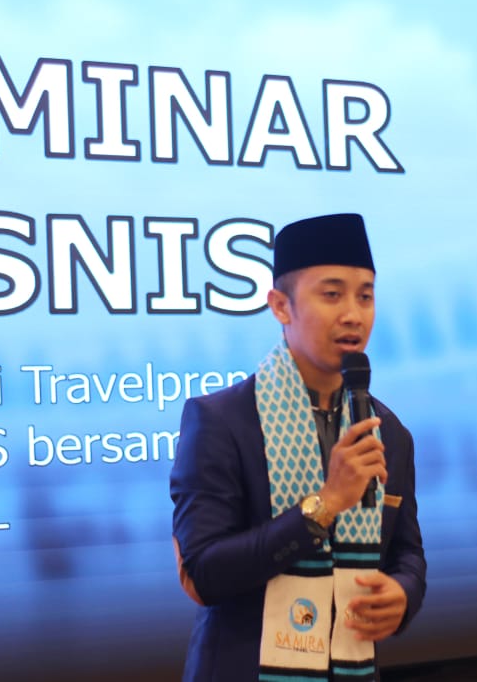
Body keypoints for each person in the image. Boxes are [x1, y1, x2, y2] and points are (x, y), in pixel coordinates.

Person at [170, 213, 427, 681]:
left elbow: (407, 553)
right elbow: (205, 573)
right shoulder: (220, 421)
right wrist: (324, 505)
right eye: (332, 294)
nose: (353, 314)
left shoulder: (387, 431)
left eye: (365, 296)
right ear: (281, 306)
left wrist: (404, 593)